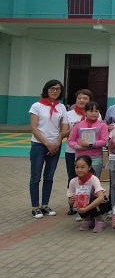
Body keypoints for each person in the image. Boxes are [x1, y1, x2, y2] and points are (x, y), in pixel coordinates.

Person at [29, 79, 68, 219]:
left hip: (55, 146)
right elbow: (34, 128)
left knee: (49, 177)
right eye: (52, 88)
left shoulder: (62, 107)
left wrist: (56, 143)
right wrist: (47, 144)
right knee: (35, 177)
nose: (55, 91)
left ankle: (45, 205)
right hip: (39, 145)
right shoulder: (37, 106)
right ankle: (35, 207)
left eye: (58, 89)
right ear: (47, 89)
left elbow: (64, 129)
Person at [65, 88, 93, 216]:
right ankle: (72, 205)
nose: (82, 100)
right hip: (71, 151)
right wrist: (74, 127)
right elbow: (63, 133)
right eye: (79, 98)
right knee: (73, 177)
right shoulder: (69, 114)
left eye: (85, 98)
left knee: (88, 177)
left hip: (89, 152)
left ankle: (88, 203)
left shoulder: (94, 113)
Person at [67, 155, 110, 232]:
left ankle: (99, 221)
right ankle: (88, 220)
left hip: (99, 204)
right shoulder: (73, 181)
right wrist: (71, 200)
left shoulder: (93, 179)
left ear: (89, 167)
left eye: (82, 167)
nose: (79, 170)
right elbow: (70, 202)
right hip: (84, 205)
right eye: (77, 167)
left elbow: (101, 198)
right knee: (79, 202)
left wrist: (86, 209)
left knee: (94, 200)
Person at [67, 101, 109, 183]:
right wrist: (78, 147)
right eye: (91, 111)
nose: (94, 113)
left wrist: (90, 144)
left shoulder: (102, 125)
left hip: (96, 158)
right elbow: (70, 141)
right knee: (80, 182)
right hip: (80, 158)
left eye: (96, 111)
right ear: (85, 112)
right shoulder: (78, 125)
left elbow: (104, 141)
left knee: (94, 181)